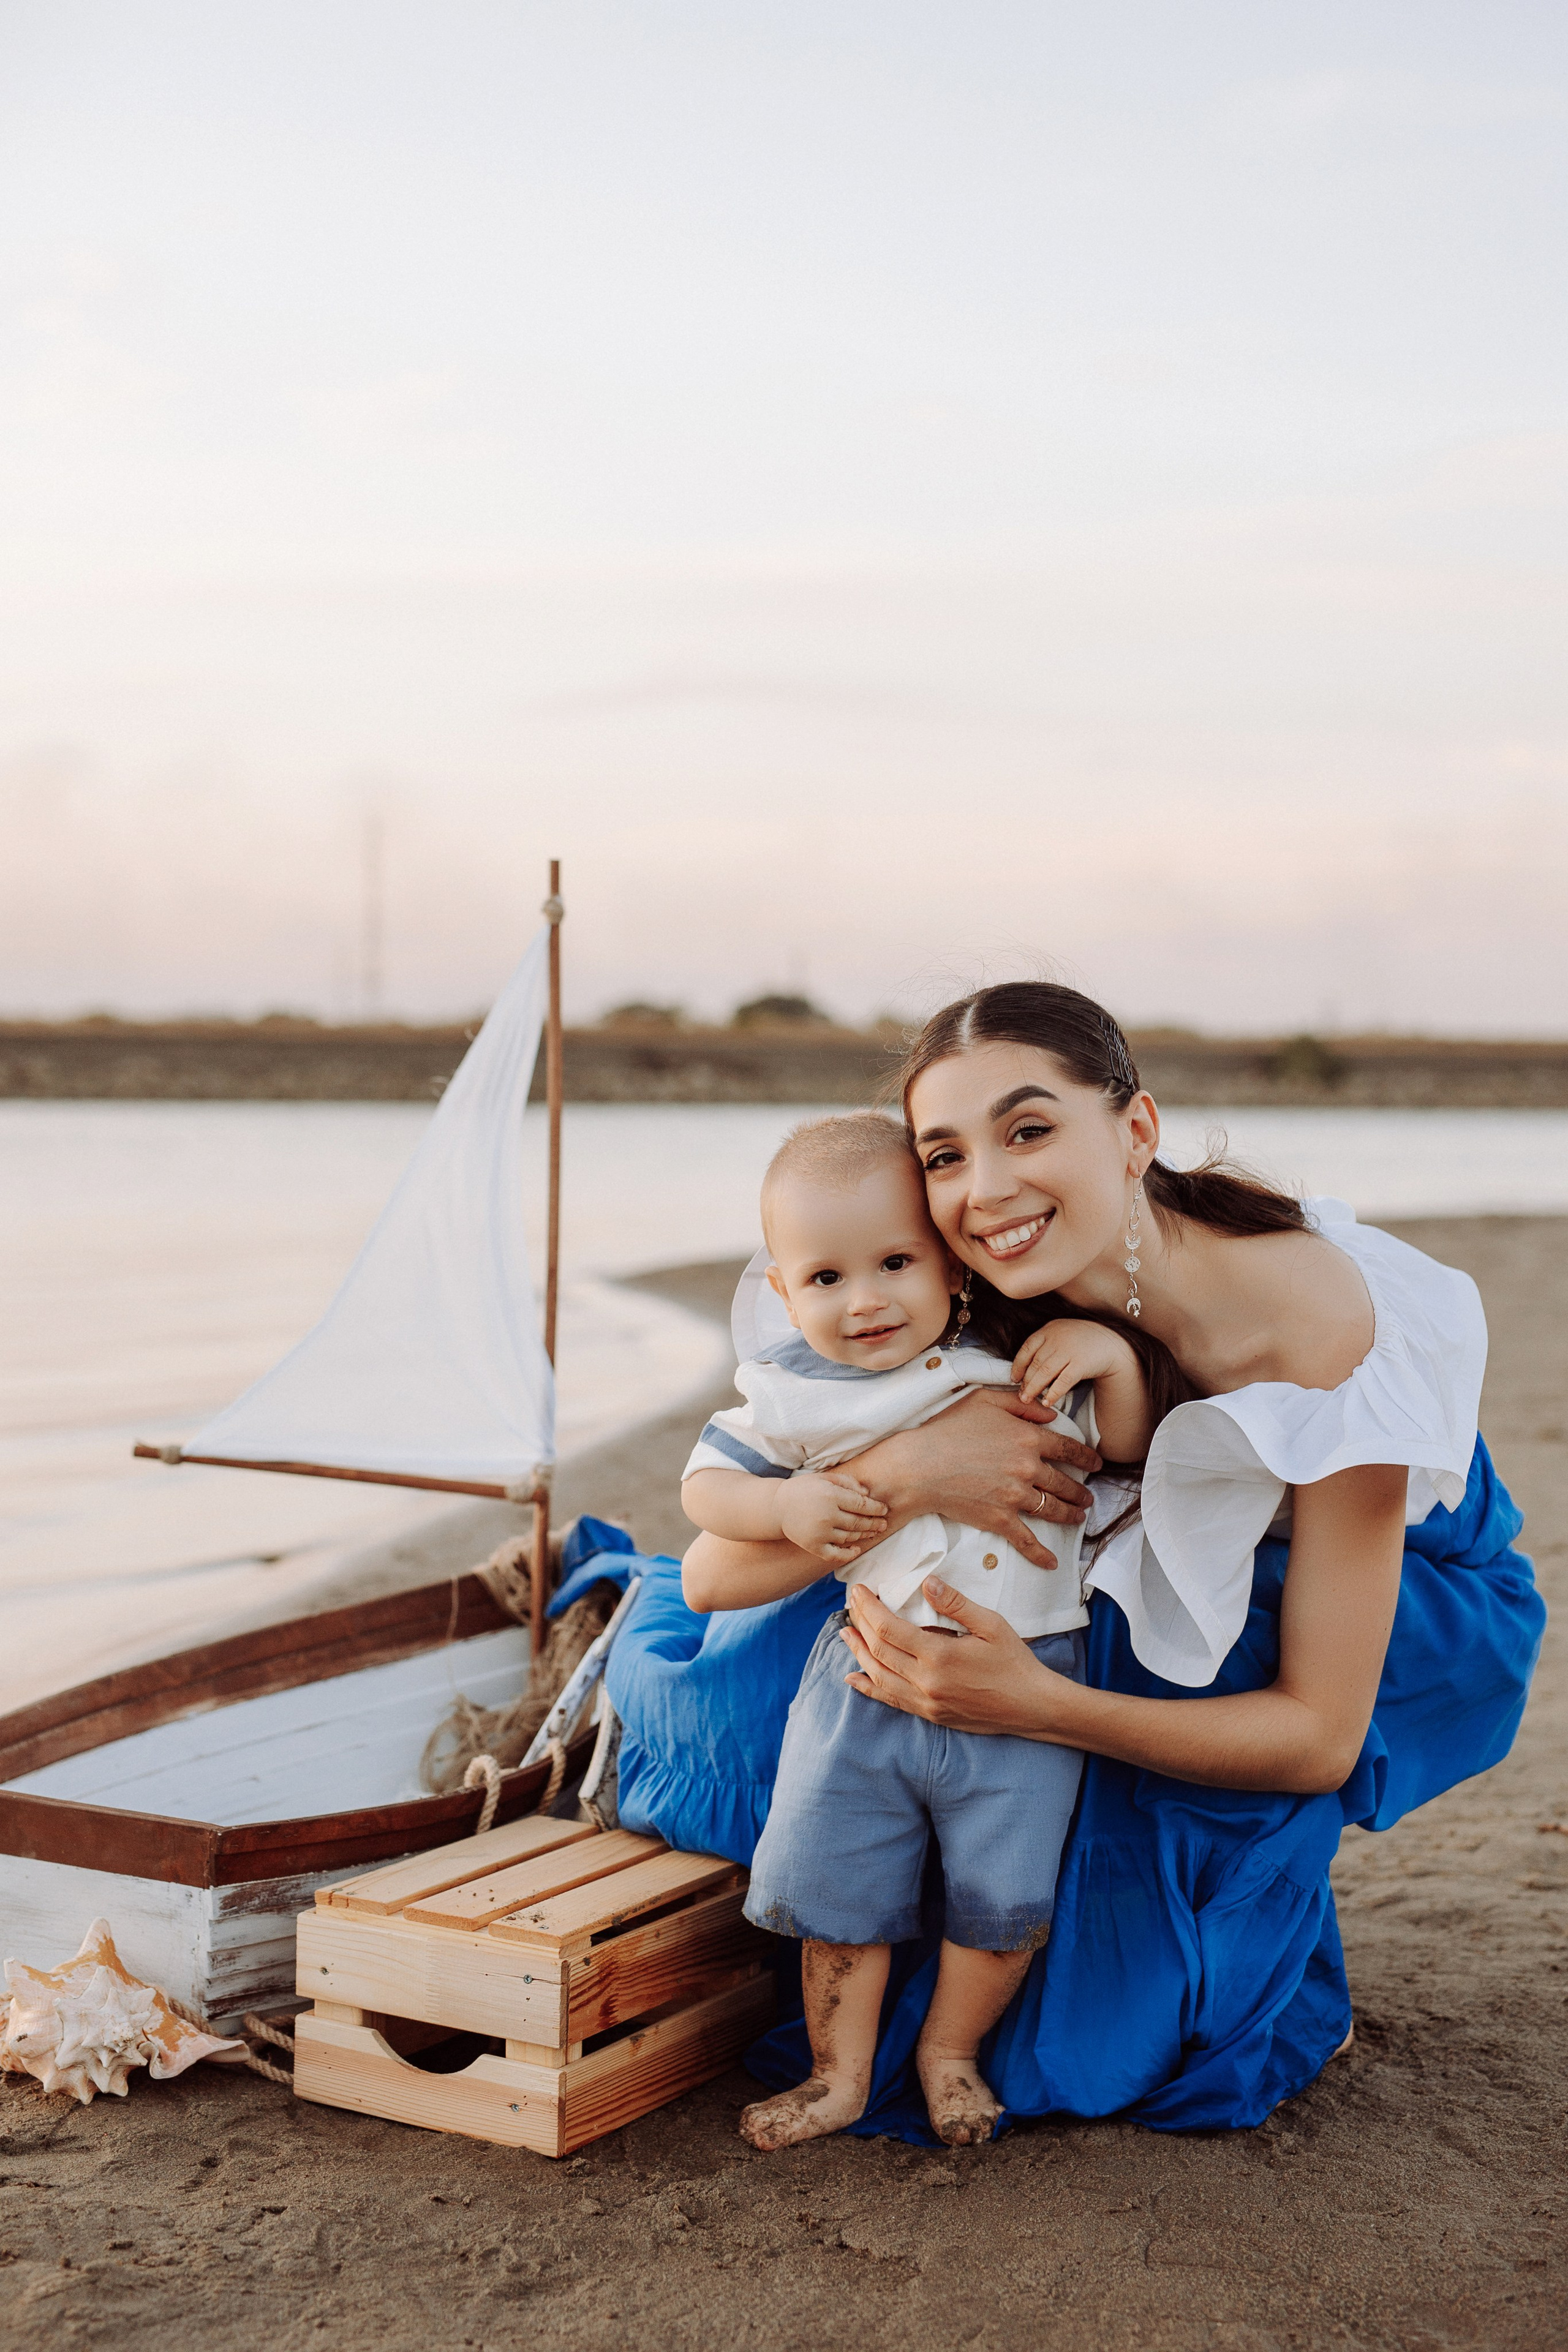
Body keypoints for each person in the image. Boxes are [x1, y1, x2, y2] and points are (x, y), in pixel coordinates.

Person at [605, 982, 1545, 2139]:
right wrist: (910, 1474)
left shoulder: (1315, 1334)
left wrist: (1039, 1705)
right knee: (779, 1673)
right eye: (945, 1156)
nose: (987, 1189)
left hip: (1385, 1603)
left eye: (1030, 1129)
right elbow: (714, 1569)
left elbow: (1318, 1735)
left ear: (1138, 1130)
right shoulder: (966, 1297)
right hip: (1101, 1567)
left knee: (1115, 2024)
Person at [679, 1112, 1152, 2148]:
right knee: (836, 1884)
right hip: (865, 1680)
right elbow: (708, 1492)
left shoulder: (1016, 1360)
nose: (866, 1301)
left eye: (896, 1262)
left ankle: (950, 2053)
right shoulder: (796, 1396)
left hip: (1027, 1681)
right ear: (781, 1293)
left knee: (1004, 1895)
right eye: (826, 1279)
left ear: (952, 1263)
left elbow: (1122, 1446)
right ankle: (839, 2075)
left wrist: (1109, 1355)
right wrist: (789, 1508)